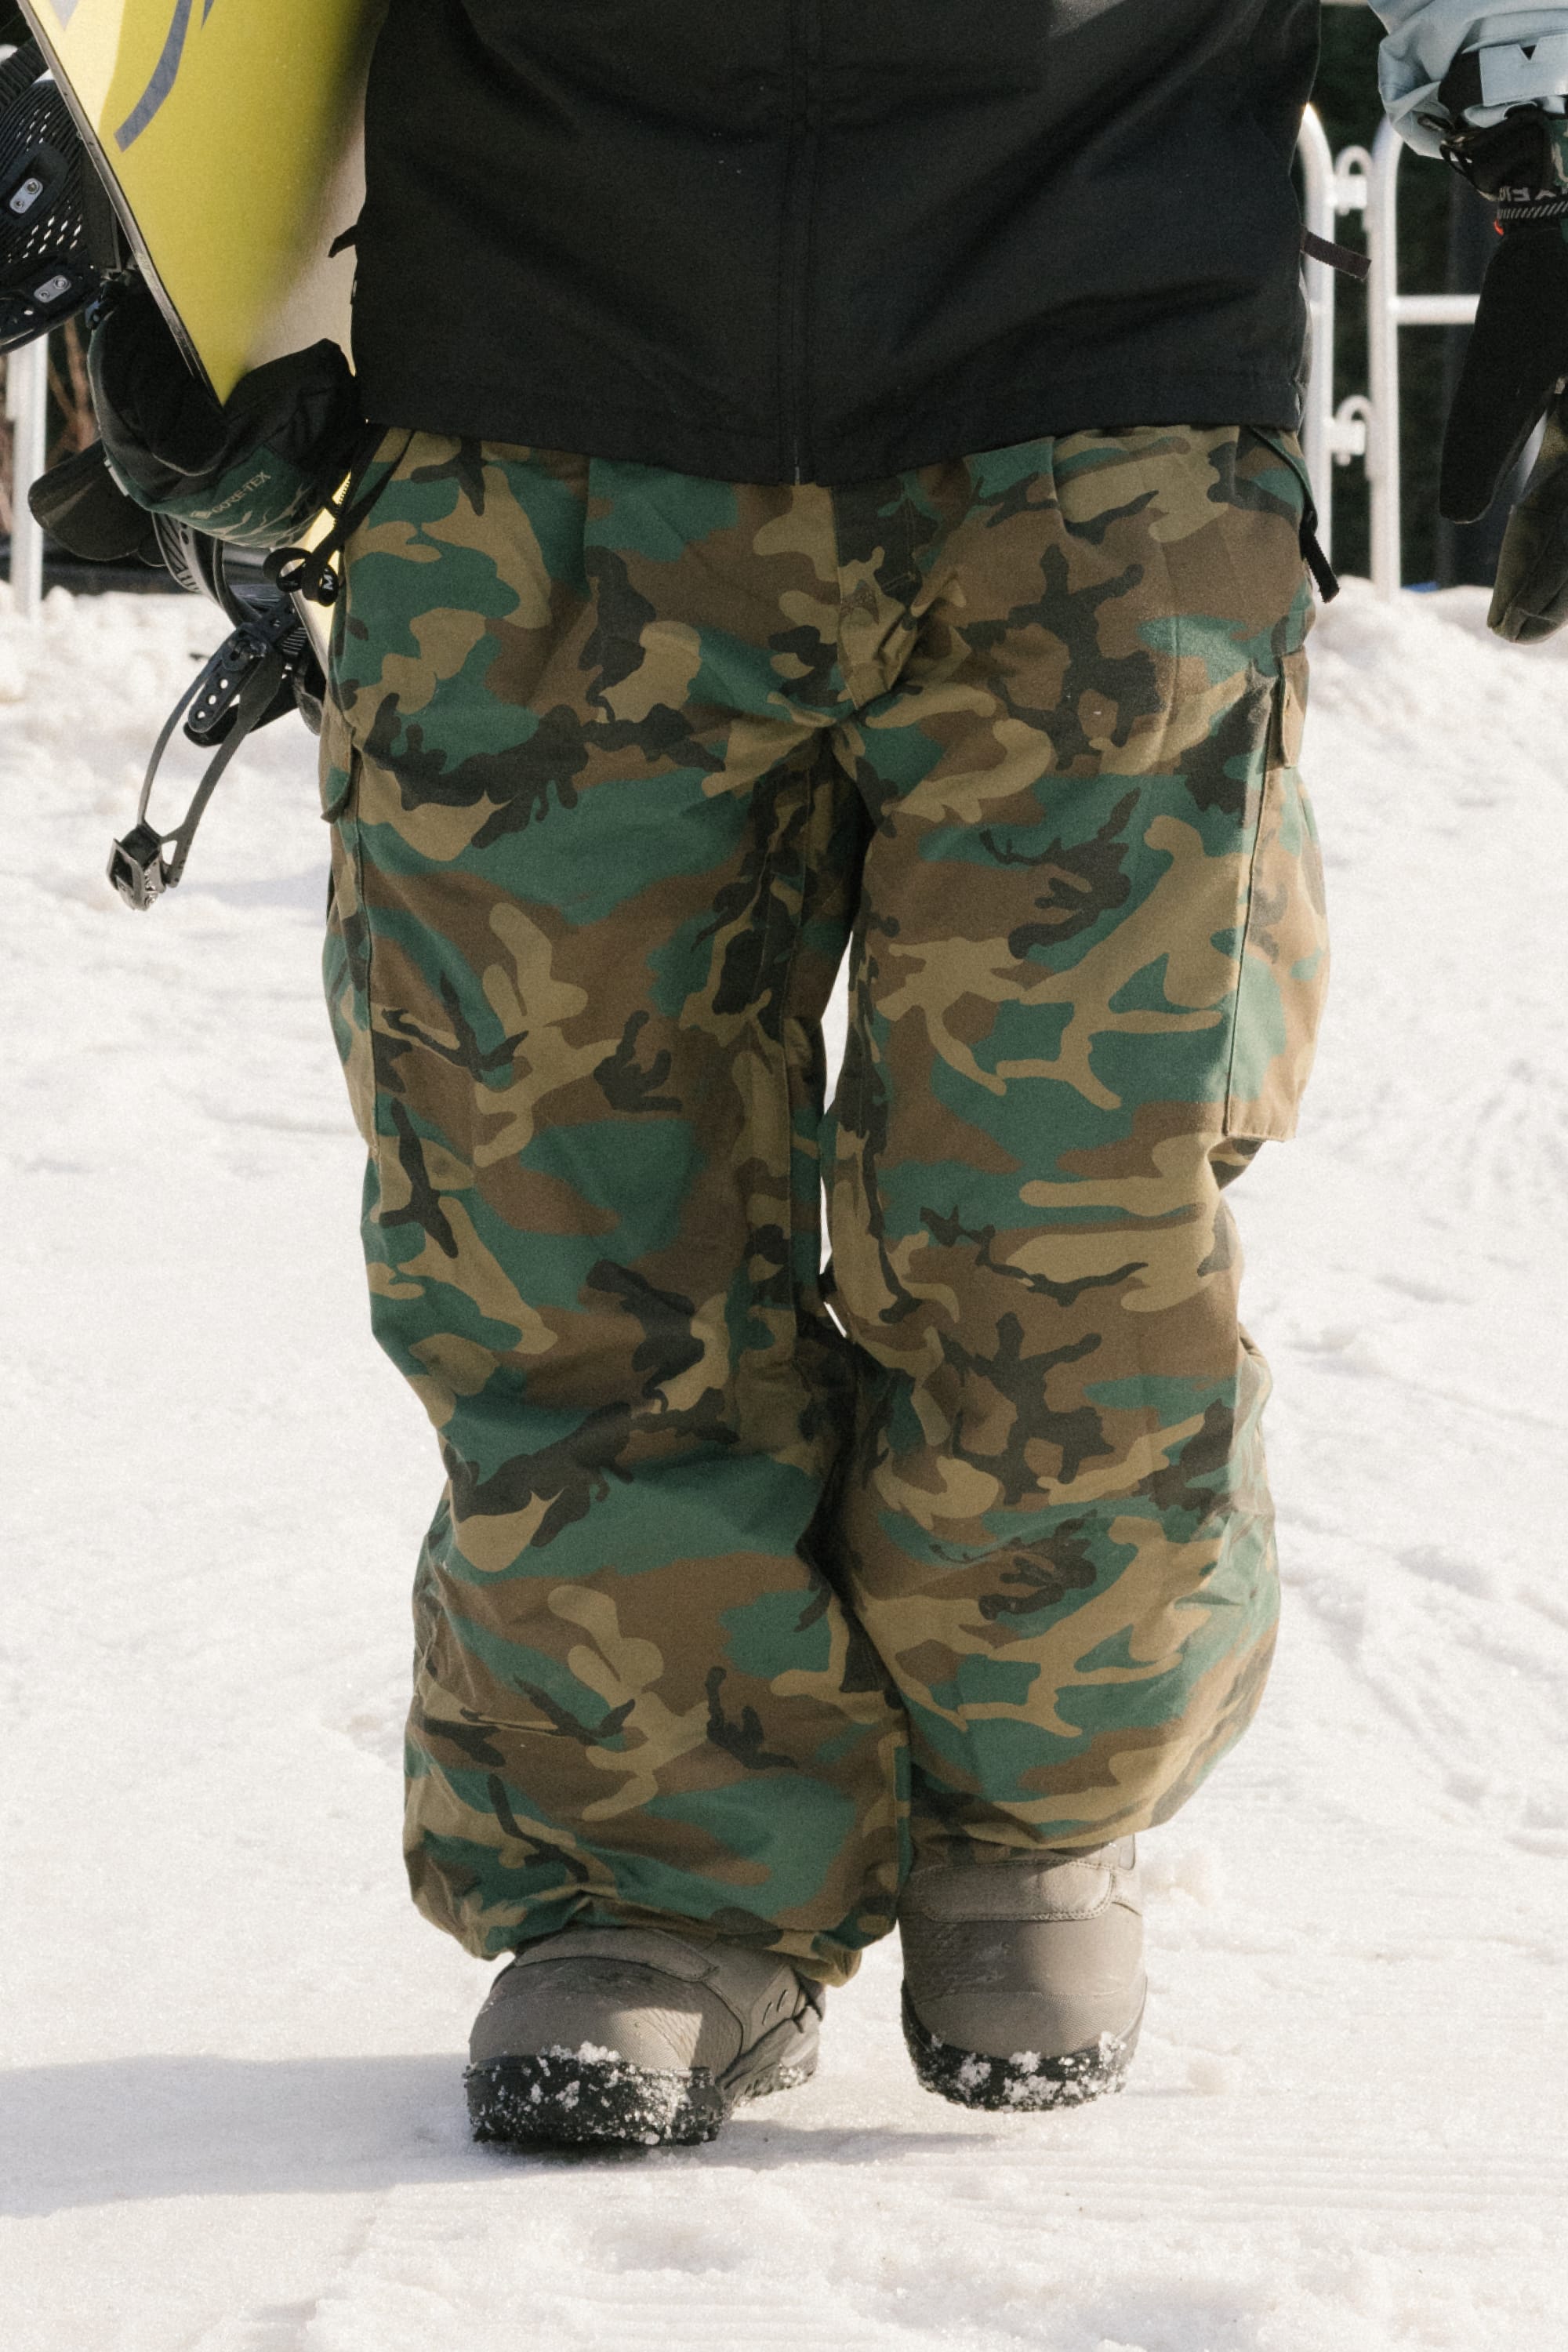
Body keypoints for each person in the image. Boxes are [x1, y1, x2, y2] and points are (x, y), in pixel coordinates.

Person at [73, 0, 1568, 2148]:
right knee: (556, 1210)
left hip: (1096, 367)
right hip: (541, 364)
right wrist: (179, 225)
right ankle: (653, 1870)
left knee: (1063, 1199)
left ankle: (1033, 1799)